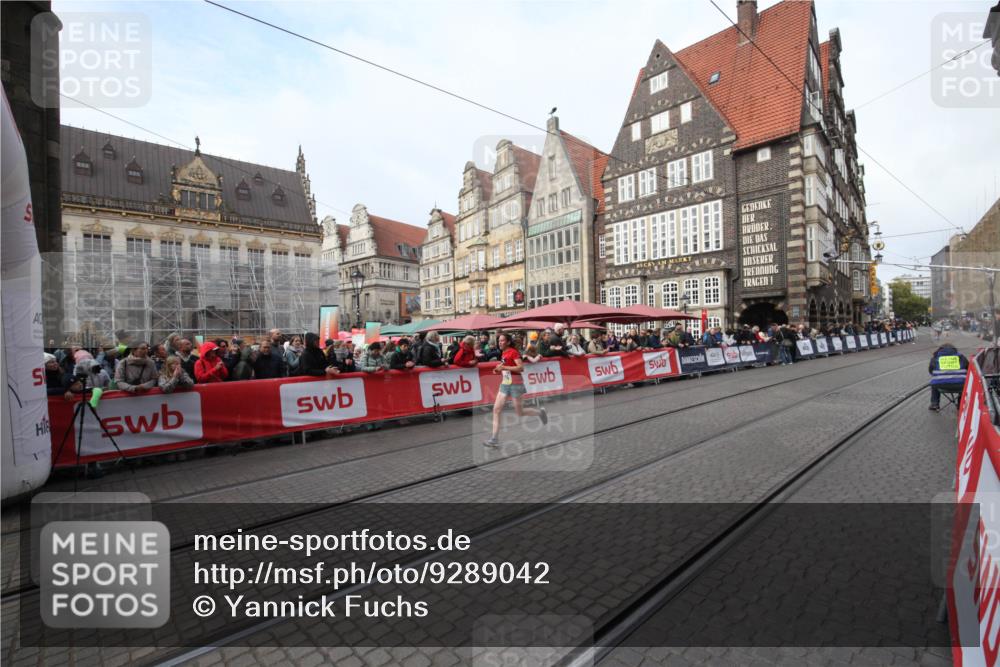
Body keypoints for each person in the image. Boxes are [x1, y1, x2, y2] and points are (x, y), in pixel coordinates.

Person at [483, 332, 548, 447]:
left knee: (520, 412)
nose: (500, 342)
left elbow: (521, 368)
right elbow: (505, 366)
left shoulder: (513, 352)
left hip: (516, 384)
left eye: (502, 340)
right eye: (499, 341)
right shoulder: (503, 352)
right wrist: (499, 369)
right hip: (505, 383)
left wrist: (504, 367)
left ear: (508, 342)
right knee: (496, 410)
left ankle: (540, 413)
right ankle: (494, 438)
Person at [928, 343, 969, 411]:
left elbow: (930, 371)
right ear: (954, 350)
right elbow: (968, 368)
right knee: (964, 384)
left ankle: (934, 404)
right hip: (960, 385)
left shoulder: (935, 357)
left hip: (940, 385)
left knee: (934, 383)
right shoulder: (961, 357)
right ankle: (960, 405)